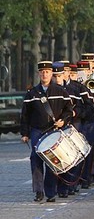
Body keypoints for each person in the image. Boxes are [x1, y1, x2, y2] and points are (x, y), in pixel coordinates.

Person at [20, 61, 74, 202]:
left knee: (52, 161)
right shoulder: (32, 93)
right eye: (42, 72)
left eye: (47, 72)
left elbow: (69, 110)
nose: (45, 74)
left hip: (54, 131)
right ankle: (38, 191)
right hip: (37, 130)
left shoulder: (60, 91)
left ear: (51, 74)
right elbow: (25, 115)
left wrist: (63, 121)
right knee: (35, 159)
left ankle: (51, 192)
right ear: (39, 74)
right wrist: (24, 133)